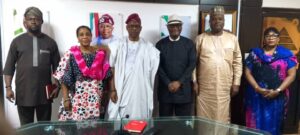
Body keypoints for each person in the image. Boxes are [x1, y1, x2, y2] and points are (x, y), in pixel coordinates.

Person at [3, 6, 61, 125]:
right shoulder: (17, 42)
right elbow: (9, 66)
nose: (34, 21)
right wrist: (8, 88)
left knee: (45, 128)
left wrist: (57, 86)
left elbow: (58, 68)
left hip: (45, 94)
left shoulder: (50, 42)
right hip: (24, 93)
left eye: (37, 18)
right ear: (25, 22)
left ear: (42, 21)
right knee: (26, 128)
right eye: (30, 18)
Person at [244, 27, 297, 135]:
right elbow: (247, 72)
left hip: (277, 97)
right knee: (255, 123)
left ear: (278, 39)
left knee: (274, 124)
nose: (271, 38)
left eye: (274, 36)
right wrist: (257, 88)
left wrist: (278, 90)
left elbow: (292, 75)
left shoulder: (287, 55)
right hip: (256, 96)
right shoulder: (255, 54)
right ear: (264, 39)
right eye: (268, 36)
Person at [194, 6, 242, 123]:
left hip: (224, 86)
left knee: (222, 117)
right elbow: (193, 63)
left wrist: (236, 83)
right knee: (203, 117)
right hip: (205, 86)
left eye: (220, 19)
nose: (217, 22)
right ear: (209, 21)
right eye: (214, 19)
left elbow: (237, 62)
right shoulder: (200, 39)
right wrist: (194, 81)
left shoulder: (232, 39)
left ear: (224, 21)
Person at [107, 13, 160, 120]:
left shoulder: (148, 47)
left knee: (139, 114)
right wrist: (112, 89)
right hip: (121, 86)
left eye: (137, 26)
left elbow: (154, 65)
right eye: (131, 26)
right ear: (127, 27)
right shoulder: (117, 45)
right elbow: (111, 68)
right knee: (120, 114)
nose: (134, 29)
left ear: (141, 28)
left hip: (140, 89)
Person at [53, 25, 111, 121]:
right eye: (81, 35)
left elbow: (107, 74)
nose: (85, 37)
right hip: (76, 96)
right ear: (78, 38)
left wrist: (109, 93)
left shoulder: (100, 54)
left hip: (94, 97)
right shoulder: (71, 54)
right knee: (74, 128)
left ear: (91, 36)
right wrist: (66, 98)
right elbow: (64, 77)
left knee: (92, 128)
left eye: (87, 34)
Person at [156, 14, 196, 116]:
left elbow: (191, 65)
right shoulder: (160, 44)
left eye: (178, 25)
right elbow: (158, 67)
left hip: (184, 91)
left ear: (181, 27)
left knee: (183, 126)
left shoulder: (189, 44)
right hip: (165, 91)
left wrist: (179, 82)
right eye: (172, 26)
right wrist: (168, 83)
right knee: (164, 125)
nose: (175, 28)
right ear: (168, 27)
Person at [91, 14, 119, 119]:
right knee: (99, 105)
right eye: (102, 26)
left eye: (107, 26)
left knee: (111, 103)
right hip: (98, 78)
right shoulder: (94, 41)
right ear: (98, 28)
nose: (105, 29)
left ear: (112, 28)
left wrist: (102, 48)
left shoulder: (118, 41)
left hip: (113, 76)